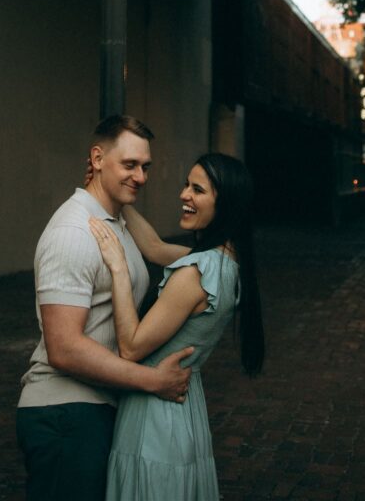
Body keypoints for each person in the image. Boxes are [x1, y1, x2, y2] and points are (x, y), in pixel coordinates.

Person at [16, 115, 194, 501]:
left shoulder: (114, 221)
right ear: (97, 159)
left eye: (145, 167)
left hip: (97, 406)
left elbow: (161, 250)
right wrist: (153, 382)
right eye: (129, 165)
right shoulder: (74, 232)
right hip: (65, 412)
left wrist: (224, 257)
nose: (141, 177)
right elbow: (63, 348)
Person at [89, 151, 265, 501]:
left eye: (197, 190)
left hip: (155, 412)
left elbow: (132, 346)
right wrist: (117, 197)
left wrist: (119, 270)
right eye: (187, 185)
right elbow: (154, 248)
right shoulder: (227, 263)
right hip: (183, 409)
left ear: (224, 203)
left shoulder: (195, 274)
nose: (184, 195)